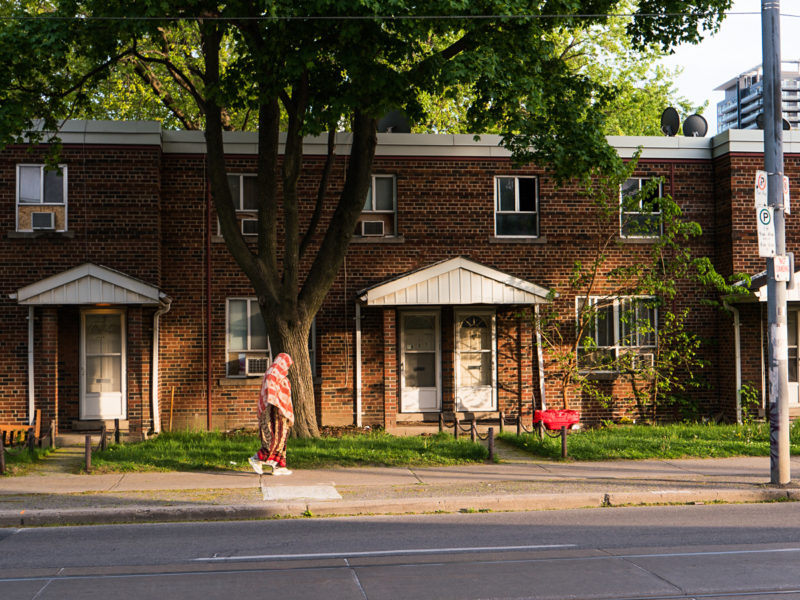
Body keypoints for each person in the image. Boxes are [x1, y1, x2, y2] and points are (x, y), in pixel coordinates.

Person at [249, 352, 294, 476]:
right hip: (273, 411)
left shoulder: (279, 375)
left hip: (280, 412)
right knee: (274, 440)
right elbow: (271, 392)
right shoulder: (272, 373)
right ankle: (257, 458)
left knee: (283, 438)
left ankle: (279, 466)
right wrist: (276, 403)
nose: (287, 368)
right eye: (286, 364)